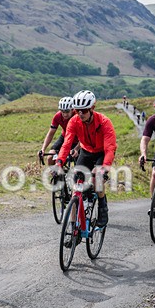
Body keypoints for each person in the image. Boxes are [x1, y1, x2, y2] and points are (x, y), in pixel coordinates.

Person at [56, 90, 117, 228]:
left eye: (84, 110)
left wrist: (105, 167)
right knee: (75, 188)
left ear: (92, 109)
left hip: (102, 152)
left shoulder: (104, 122)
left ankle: (102, 208)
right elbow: (66, 143)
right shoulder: (74, 121)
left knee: (97, 179)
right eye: (78, 111)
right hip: (86, 151)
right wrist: (59, 161)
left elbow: (110, 149)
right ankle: (72, 227)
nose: (81, 114)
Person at [38, 97, 78, 166]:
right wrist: (43, 149)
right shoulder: (58, 116)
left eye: (67, 111)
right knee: (50, 157)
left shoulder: (78, 116)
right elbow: (51, 133)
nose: (65, 114)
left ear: (73, 109)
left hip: (78, 140)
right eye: (62, 111)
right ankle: (56, 175)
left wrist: (76, 149)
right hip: (65, 137)